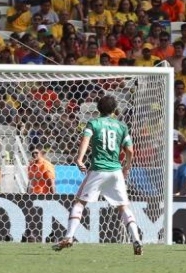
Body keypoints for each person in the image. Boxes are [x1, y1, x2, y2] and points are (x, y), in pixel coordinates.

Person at [53, 95, 143, 255]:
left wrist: (79, 159)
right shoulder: (121, 126)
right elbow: (130, 150)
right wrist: (127, 166)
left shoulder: (93, 123)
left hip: (98, 169)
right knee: (123, 208)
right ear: (115, 110)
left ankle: (69, 236)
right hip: (116, 171)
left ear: (98, 109)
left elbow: (85, 140)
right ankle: (136, 239)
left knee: (79, 203)